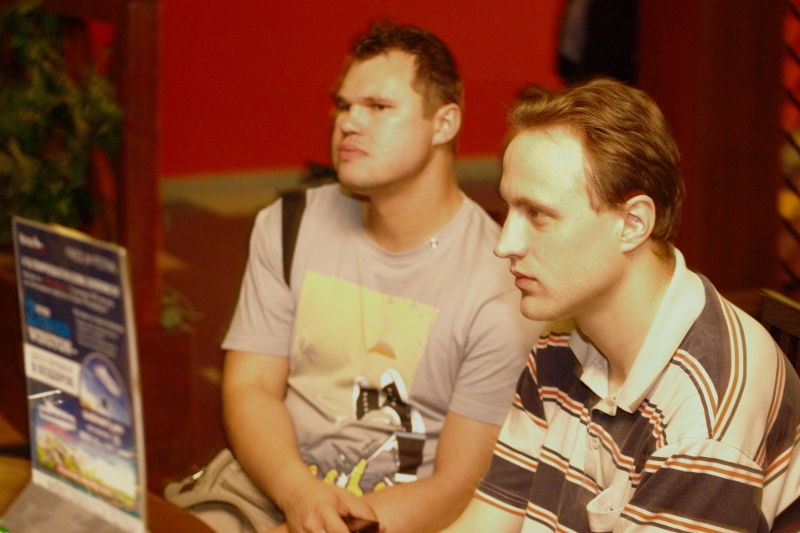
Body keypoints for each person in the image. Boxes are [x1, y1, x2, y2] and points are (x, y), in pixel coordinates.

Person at [172, 21, 540, 533]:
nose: (348, 122)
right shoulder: (288, 225)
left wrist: (326, 524)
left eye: (378, 107)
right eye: (344, 106)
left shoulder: (501, 280)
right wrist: (299, 494)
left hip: (392, 518)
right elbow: (250, 387)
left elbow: (456, 486)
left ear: (444, 123)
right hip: (268, 486)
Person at [440, 78, 800, 533]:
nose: (505, 244)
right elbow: (486, 523)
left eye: (537, 214)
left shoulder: (704, 410)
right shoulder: (562, 341)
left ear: (632, 223)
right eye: (508, 209)